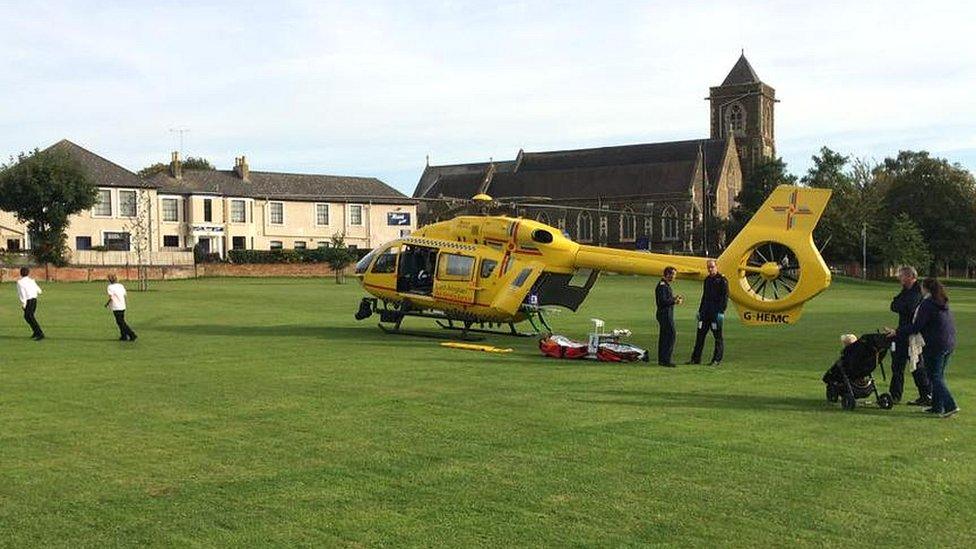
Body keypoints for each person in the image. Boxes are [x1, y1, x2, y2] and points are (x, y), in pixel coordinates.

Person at [887, 278, 959, 418]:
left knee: (934, 376)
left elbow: (917, 326)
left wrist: (897, 331)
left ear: (925, 288)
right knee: (938, 376)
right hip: (949, 342)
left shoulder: (927, 304)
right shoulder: (942, 302)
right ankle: (937, 407)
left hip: (936, 344)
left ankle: (950, 405)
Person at [889, 266, 932, 405]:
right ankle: (895, 395)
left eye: (901, 275)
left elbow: (909, 308)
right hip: (901, 333)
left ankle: (926, 395)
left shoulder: (916, 291)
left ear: (910, 277)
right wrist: (901, 305)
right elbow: (894, 305)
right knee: (897, 366)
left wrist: (901, 305)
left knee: (916, 366)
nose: (899, 278)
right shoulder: (905, 291)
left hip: (912, 334)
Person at [688, 259, 728, 366]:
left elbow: (724, 298)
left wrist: (721, 312)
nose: (710, 269)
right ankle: (695, 359)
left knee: (718, 337)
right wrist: (700, 310)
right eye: (708, 267)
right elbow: (704, 296)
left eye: (712, 267)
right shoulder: (707, 280)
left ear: (716, 267)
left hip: (715, 314)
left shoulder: (722, 280)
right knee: (700, 336)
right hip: (705, 313)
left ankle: (716, 360)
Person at [655, 266, 683, 367]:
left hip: (665, 313)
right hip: (665, 314)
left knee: (664, 336)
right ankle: (666, 359)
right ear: (668, 275)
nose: (674, 277)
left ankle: (662, 359)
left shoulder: (665, 285)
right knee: (671, 335)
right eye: (673, 275)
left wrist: (673, 299)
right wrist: (674, 301)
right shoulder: (662, 286)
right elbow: (662, 301)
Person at [104, 274, 137, 341]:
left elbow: (111, 297)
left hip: (116, 306)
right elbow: (124, 294)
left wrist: (107, 304)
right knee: (120, 321)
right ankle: (123, 336)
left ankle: (132, 334)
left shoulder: (110, 287)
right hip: (122, 305)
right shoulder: (120, 286)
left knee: (121, 322)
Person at [16, 267, 44, 340]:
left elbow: (22, 294)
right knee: (29, 317)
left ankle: (40, 333)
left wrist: (23, 304)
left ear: (20, 273)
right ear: (28, 273)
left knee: (29, 317)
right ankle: (36, 332)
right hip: (34, 300)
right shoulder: (32, 281)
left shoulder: (20, 282)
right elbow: (39, 291)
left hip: (28, 301)